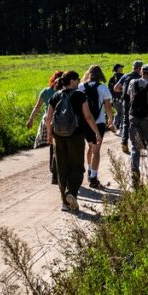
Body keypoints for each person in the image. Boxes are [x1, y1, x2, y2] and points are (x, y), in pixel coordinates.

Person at [45, 70, 100, 211]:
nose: (79, 81)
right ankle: (72, 193)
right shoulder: (80, 95)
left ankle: (64, 202)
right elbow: (88, 117)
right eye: (78, 79)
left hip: (58, 135)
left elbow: (48, 118)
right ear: (72, 81)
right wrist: (96, 132)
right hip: (75, 135)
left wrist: (49, 134)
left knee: (62, 167)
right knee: (76, 166)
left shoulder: (56, 96)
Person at [80, 65, 115, 189]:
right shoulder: (103, 88)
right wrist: (110, 119)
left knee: (90, 147)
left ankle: (89, 170)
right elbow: (108, 106)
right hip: (98, 122)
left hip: (84, 122)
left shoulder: (81, 87)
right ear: (100, 75)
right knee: (96, 151)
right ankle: (94, 178)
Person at [127, 64, 148, 187]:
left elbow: (129, 97)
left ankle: (135, 176)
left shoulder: (132, 82)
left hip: (134, 118)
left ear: (141, 72)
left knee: (135, 148)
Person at [26, 70, 63, 185]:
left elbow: (37, 107)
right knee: (61, 146)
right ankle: (58, 171)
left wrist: (31, 119)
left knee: (52, 146)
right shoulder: (64, 92)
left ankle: (53, 171)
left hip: (48, 120)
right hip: (61, 121)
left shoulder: (46, 91)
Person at [115, 60, 143, 154]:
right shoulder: (141, 77)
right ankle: (139, 143)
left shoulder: (125, 76)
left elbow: (115, 88)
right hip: (137, 103)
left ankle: (124, 142)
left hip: (126, 102)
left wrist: (123, 91)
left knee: (125, 122)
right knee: (138, 122)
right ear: (139, 68)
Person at [108, 63, 126, 131]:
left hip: (114, 99)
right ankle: (122, 128)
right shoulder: (123, 77)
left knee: (118, 112)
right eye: (121, 67)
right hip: (122, 98)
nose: (122, 69)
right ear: (118, 69)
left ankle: (114, 125)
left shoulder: (111, 78)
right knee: (123, 113)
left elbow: (109, 89)